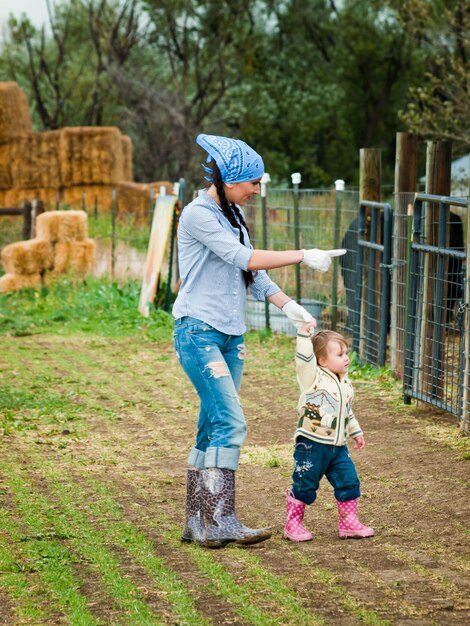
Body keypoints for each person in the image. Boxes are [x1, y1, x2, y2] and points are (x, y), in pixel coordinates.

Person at [172, 133, 345, 549]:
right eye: (252, 182)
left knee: (212, 423)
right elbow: (243, 258)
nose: (256, 190)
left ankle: (199, 521)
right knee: (231, 422)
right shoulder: (199, 215)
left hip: (231, 336)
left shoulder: (232, 215)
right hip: (199, 331)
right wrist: (303, 254)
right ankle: (221, 519)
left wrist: (291, 307)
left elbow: (254, 276)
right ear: (228, 181)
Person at [283, 323, 374, 541]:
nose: (346, 357)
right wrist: (304, 335)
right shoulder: (312, 378)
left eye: (346, 352)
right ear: (322, 361)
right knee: (305, 483)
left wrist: (355, 432)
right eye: (340, 354)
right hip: (312, 445)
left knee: (349, 481)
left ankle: (349, 523)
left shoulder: (346, 384)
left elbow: (347, 412)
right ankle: (293, 524)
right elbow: (304, 359)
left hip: (338, 447)